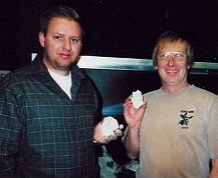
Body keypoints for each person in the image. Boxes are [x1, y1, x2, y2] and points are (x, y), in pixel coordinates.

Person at [0, 5, 122, 178]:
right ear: (42, 39)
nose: (67, 46)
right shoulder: (16, 86)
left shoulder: (87, 86)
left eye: (74, 40)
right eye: (58, 37)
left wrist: (96, 138)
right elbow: (2, 156)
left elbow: (83, 142)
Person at [123, 31, 218, 178]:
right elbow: (131, 154)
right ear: (156, 63)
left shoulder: (210, 102)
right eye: (164, 56)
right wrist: (133, 126)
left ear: (188, 63)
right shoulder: (142, 102)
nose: (171, 62)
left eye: (179, 55)